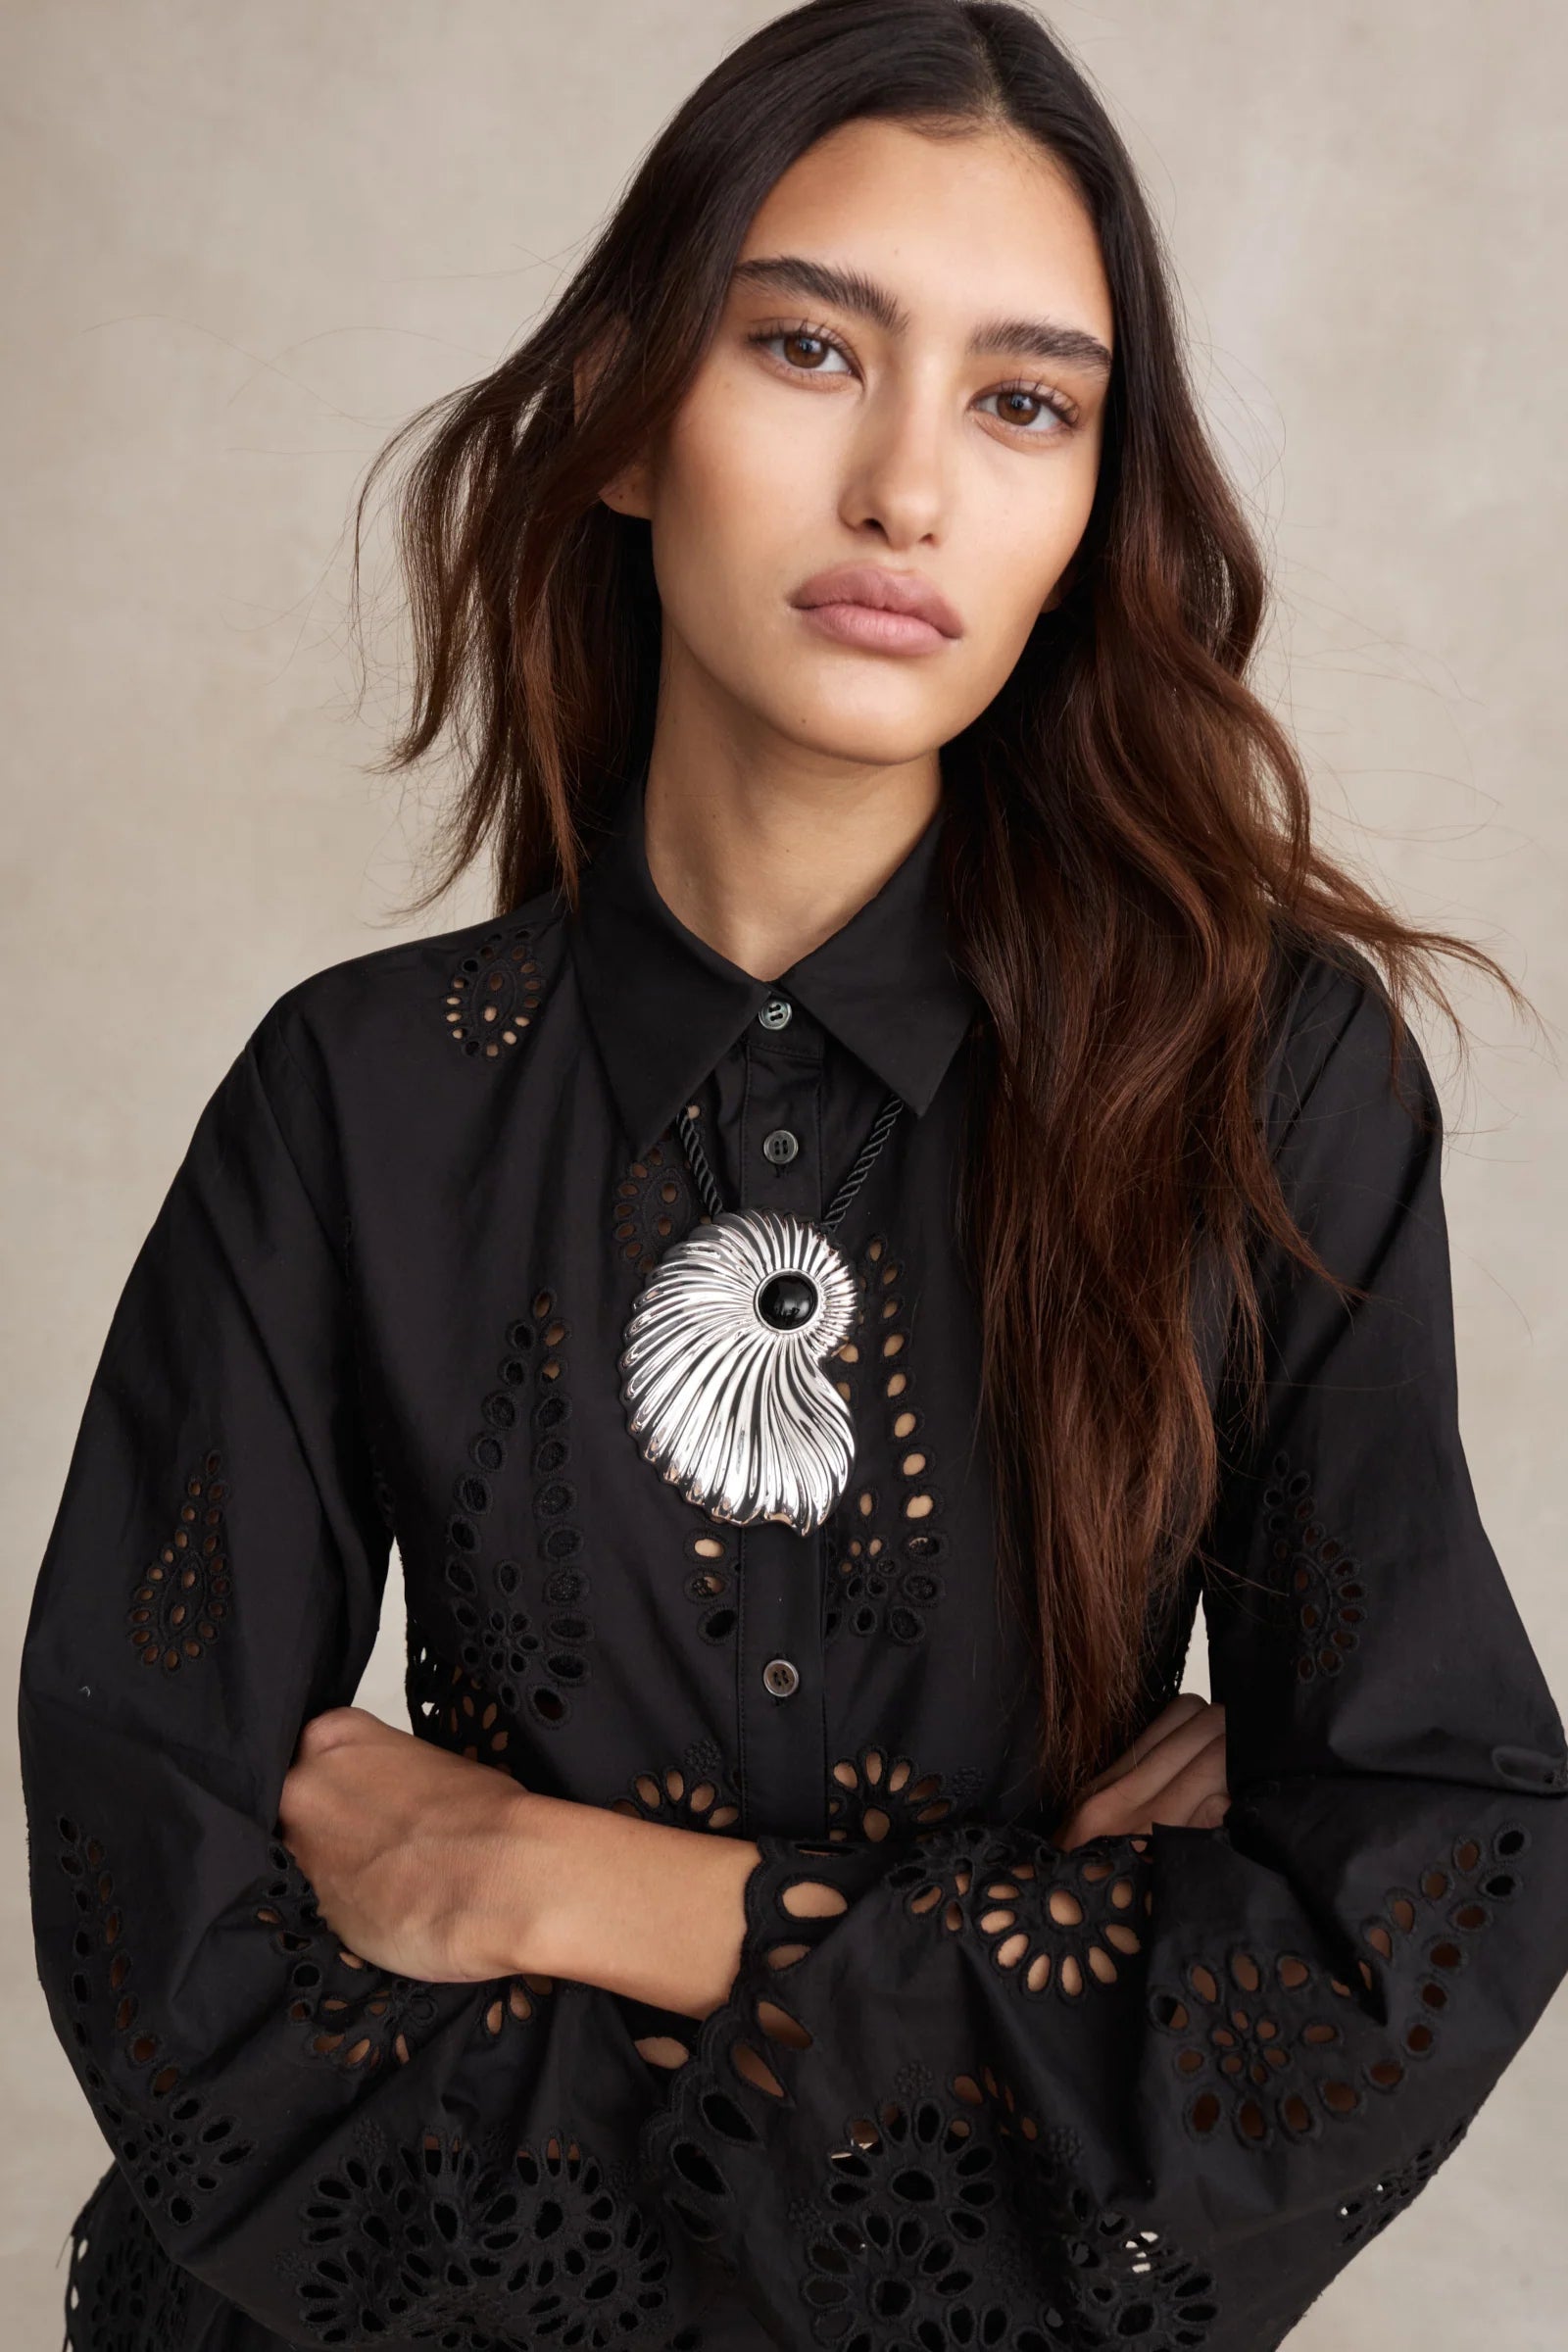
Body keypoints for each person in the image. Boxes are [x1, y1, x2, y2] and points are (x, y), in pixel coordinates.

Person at [21, 3, 1568, 2348]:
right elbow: (176, 1958)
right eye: (807, 348)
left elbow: (1406, 1919)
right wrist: (1032, 1956)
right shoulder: (355, 1099)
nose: (905, 491)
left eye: (1022, 403)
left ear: (1089, 508)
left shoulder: (1261, 1083)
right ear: (628, 410)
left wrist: (584, 1893)